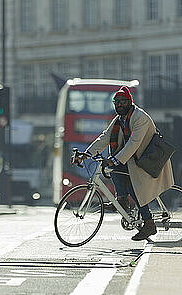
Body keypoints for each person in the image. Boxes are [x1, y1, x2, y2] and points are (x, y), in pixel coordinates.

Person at [71, 86, 174, 241]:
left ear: (130, 102)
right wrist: (85, 155)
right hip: (134, 159)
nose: (119, 105)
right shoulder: (120, 119)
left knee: (135, 188)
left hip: (148, 159)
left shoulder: (140, 117)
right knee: (113, 169)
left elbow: (133, 143)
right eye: (116, 102)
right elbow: (104, 138)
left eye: (122, 101)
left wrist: (114, 159)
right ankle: (122, 201)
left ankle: (149, 223)